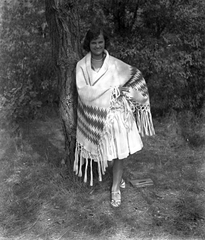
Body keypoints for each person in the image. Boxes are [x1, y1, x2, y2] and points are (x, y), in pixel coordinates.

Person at [73, 25, 155, 207]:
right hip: (97, 117)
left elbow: (135, 75)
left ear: (105, 42)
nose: (97, 45)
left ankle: (115, 188)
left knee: (119, 153)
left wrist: (127, 91)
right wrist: (110, 91)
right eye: (93, 42)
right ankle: (118, 177)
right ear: (88, 43)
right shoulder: (81, 66)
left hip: (118, 115)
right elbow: (84, 91)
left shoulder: (116, 64)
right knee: (109, 153)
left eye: (100, 41)